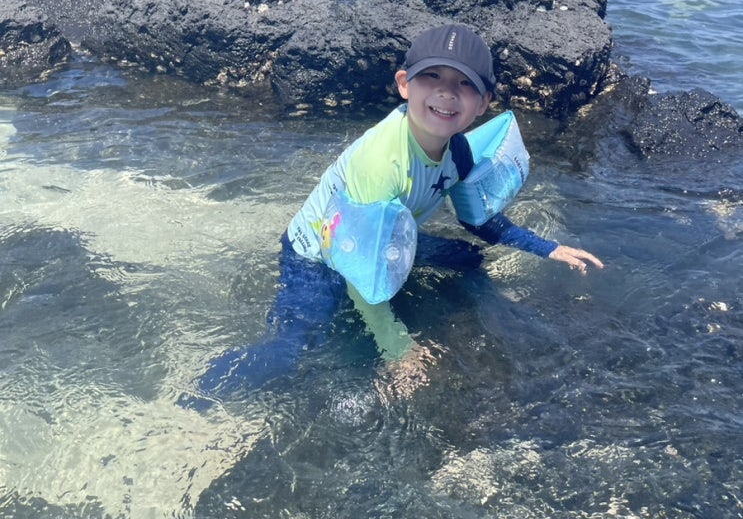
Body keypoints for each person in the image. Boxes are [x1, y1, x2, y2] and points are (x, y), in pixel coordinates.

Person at [193, 23, 603, 402]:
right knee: (294, 347)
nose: (446, 93)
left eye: (464, 83)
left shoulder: (458, 151)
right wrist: (398, 348)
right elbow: (361, 276)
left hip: (381, 234)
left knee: (469, 258)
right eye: (433, 76)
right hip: (319, 255)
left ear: (483, 103)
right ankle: (202, 395)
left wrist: (547, 248)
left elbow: (477, 221)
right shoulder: (381, 165)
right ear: (405, 84)